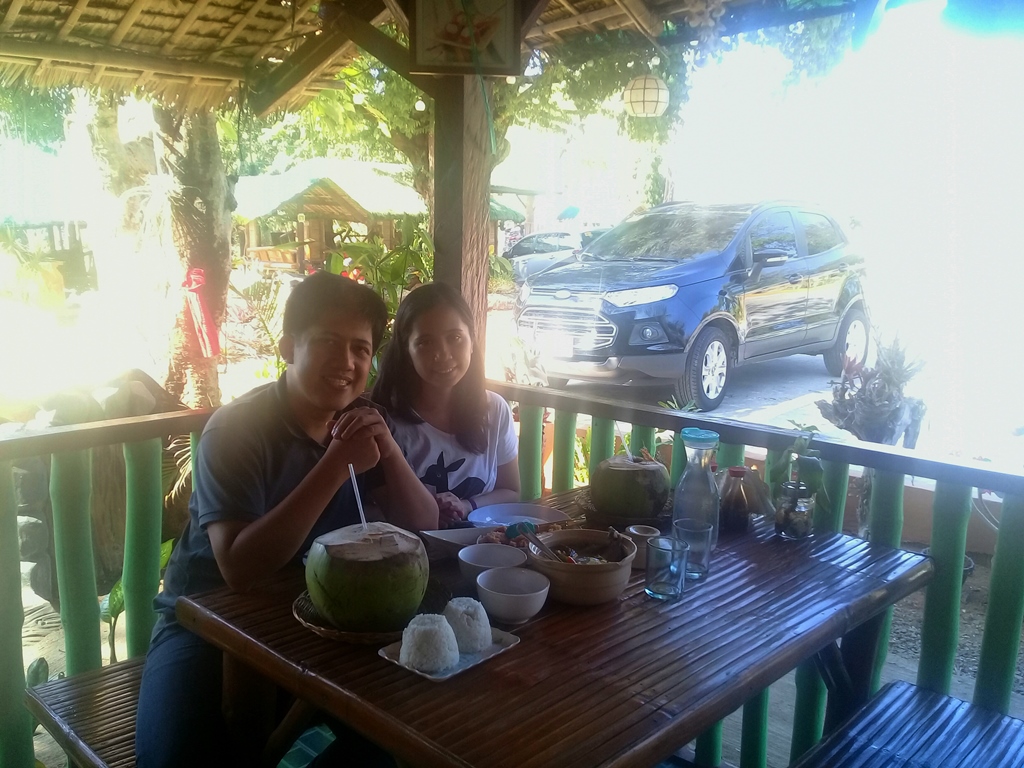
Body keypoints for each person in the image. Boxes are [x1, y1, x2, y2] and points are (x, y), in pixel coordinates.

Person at [136, 271, 437, 768]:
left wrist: (389, 450)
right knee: (176, 759)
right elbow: (238, 569)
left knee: (399, 740)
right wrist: (336, 465)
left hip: (323, 615)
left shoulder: (361, 422)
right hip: (205, 621)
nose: (346, 362)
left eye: (361, 349)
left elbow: (423, 523)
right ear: (287, 347)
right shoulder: (237, 429)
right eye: (328, 342)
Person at [372, 282, 520, 527]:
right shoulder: (384, 423)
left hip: (482, 545)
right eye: (425, 342)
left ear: (472, 341)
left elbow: (511, 491)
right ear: (406, 350)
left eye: (455, 338)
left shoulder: (495, 409)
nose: (442, 353)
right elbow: (387, 511)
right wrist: (429, 509)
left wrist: (466, 505)